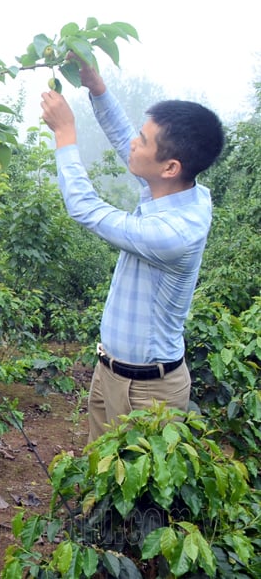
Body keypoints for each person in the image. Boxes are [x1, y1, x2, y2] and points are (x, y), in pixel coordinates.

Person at [40, 59, 225, 443]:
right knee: (99, 478)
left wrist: (65, 134)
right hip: (110, 371)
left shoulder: (173, 232)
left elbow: (85, 208)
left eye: (143, 140)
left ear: (170, 166)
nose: (133, 144)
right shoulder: (175, 192)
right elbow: (126, 136)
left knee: (140, 500)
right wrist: (97, 88)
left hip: (149, 392)